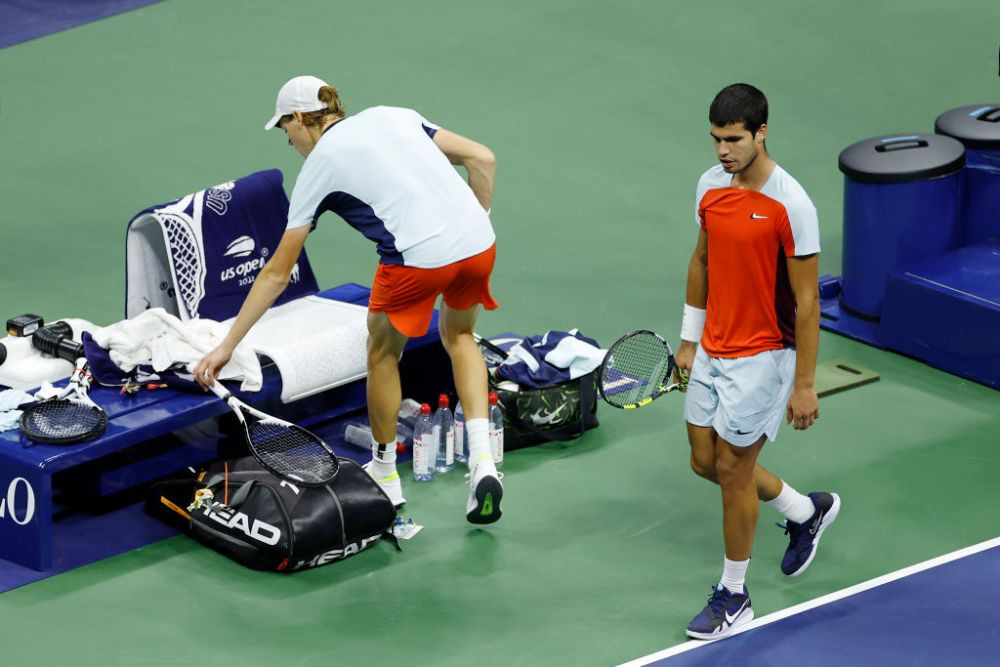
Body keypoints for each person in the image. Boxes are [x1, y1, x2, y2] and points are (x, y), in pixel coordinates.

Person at [193, 75, 504, 525]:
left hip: (415, 259)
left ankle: (384, 475)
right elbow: (482, 158)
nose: (292, 143)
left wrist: (227, 345)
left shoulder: (320, 165)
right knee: (460, 337)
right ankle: (483, 463)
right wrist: (473, 225)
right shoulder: (395, 115)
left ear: (301, 118)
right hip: (479, 244)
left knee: (381, 352)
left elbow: (278, 273)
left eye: (287, 132)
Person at [674, 83, 840, 640]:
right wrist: (688, 339)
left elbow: (810, 301)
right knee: (705, 460)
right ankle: (804, 512)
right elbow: (701, 261)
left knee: (732, 469)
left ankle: (735, 596)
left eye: (735, 140)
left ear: (762, 132)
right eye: (717, 139)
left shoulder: (792, 205)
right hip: (712, 347)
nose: (724, 151)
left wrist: (805, 384)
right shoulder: (709, 185)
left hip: (766, 356)